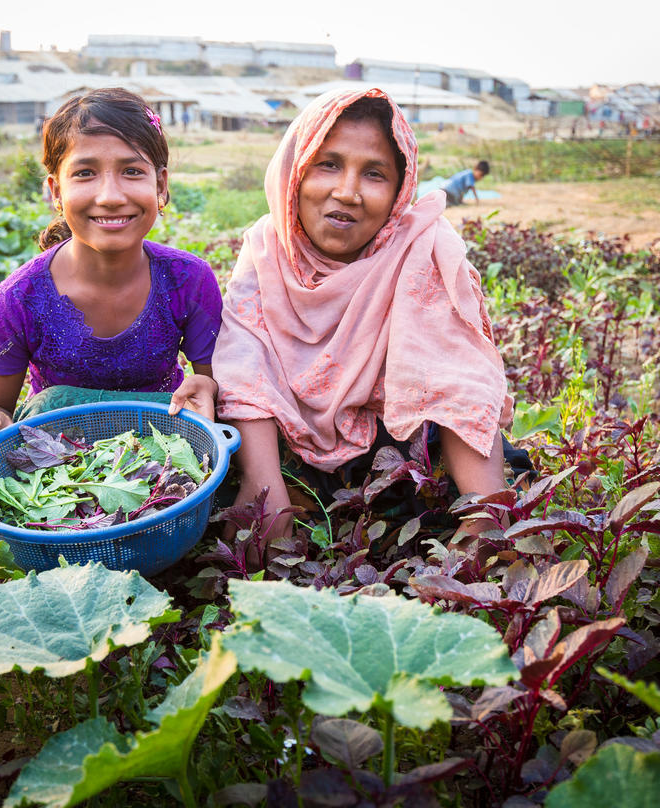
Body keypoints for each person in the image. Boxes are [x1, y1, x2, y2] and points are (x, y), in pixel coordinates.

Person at [213, 88, 515, 535]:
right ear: (294, 172)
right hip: (290, 454)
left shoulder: (421, 253)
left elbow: (460, 385)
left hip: (403, 463)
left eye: (374, 174)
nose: (347, 191)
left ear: (399, 190)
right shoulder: (265, 250)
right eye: (328, 164)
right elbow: (246, 370)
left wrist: (484, 515)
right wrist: (263, 485)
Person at [0, 88, 222, 451]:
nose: (110, 196)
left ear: (161, 185)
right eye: (85, 173)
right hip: (59, 463)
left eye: (132, 171)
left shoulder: (188, 280)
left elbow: (217, 387)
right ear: (56, 191)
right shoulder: (18, 300)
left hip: (168, 453)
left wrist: (207, 388)